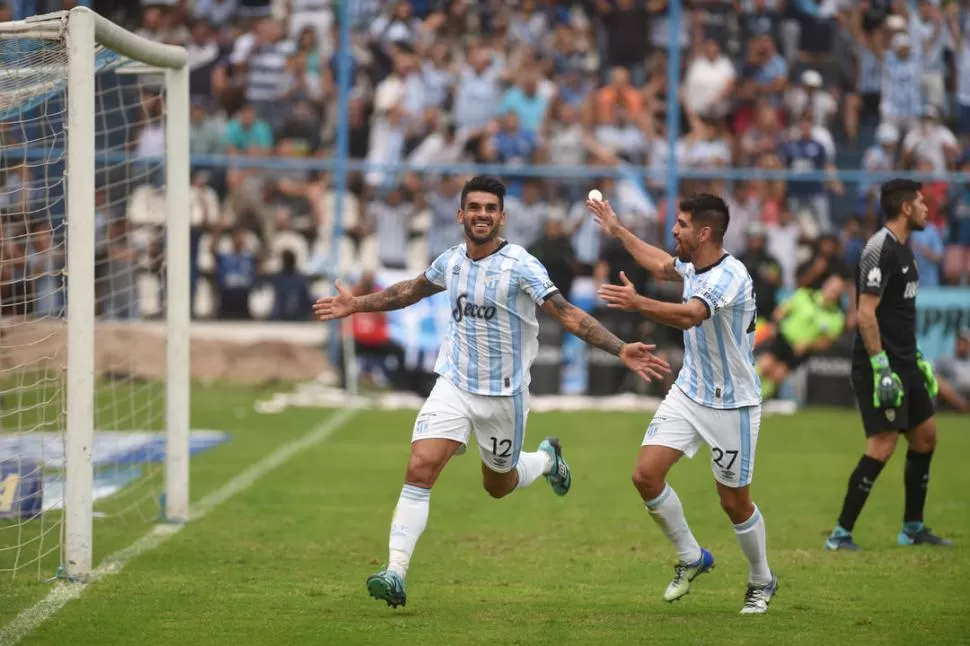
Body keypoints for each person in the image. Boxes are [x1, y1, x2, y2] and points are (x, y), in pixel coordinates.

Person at [312, 176, 671, 608]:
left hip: (503, 397)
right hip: (454, 385)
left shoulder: (521, 265)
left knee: (497, 485)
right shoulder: (451, 261)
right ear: (461, 214)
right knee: (421, 466)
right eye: (474, 207)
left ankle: (544, 459)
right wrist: (357, 304)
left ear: (502, 217)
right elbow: (409, 291)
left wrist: (619, 348)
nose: (482, 214)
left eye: (490, 208)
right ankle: (395, 572)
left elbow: (568, 314)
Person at [588, 194, 777, 615]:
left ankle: (762, 579)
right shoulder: (693, 266)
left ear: (704, 232)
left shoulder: (729, 276)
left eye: (681, 224)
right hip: (690, 392)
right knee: (645, 475)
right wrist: (617, 230)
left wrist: (639, 304)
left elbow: (691, 315)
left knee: (734, 502)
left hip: (733, 405)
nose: (674, 230)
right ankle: (692, 557)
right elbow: (659, 264)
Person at [824, 179, 952, 551]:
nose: (929, 209)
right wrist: (882, 367)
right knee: (882, 445)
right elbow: (865, 315)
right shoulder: (878, 249)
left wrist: (916, 360)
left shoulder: (906, 252)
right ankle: (840, 534)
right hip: (880, 366)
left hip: (906, 363)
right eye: (923, 203)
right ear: (906, 208)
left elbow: (899, 314)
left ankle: (912, 528)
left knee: (926, 438)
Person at [757, 275, 847, 400]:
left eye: (836, 290)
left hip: (799, 350)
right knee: (765, 365)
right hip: (783, 337)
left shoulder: (837, 317)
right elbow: (782, 309)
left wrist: (809, 344)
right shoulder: (804, 295)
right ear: (825, 285)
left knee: (777, 375)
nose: (832, 291)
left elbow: (827, 342)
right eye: (832, 287)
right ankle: (739, 393)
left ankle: (757, 402)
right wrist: (775, 323)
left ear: (840, 294)